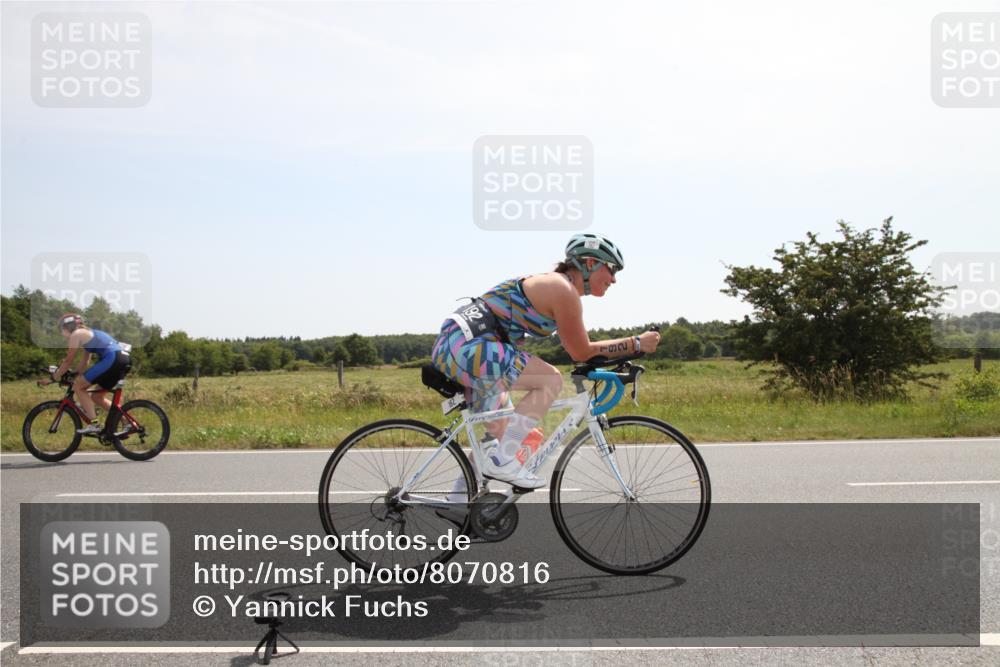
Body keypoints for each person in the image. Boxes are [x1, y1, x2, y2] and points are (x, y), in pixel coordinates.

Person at [430, 233, 661, 490]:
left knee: (516, 436)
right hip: (466, 345)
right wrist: (636, 343)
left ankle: (459, 500)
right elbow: (581, 352)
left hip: (464, 345)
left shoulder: (560, 289)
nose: (615, 279)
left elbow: (582, 351)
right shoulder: (561, 289)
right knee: (549, 380)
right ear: (588, 263)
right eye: (612, 268)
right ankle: (502, 461)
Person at [39, 313, 132, 434]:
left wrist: (54, 378)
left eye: (61, 330)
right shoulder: (88, 334)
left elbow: (68, 361)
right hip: (123, 359)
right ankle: (128, 423)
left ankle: (95, 424)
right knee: (97, 397)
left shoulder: (76, 335)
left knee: (79, 387)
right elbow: (84, 362)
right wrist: (74, 374)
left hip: (112, 358)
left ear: (67, 327)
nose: (61, 334)